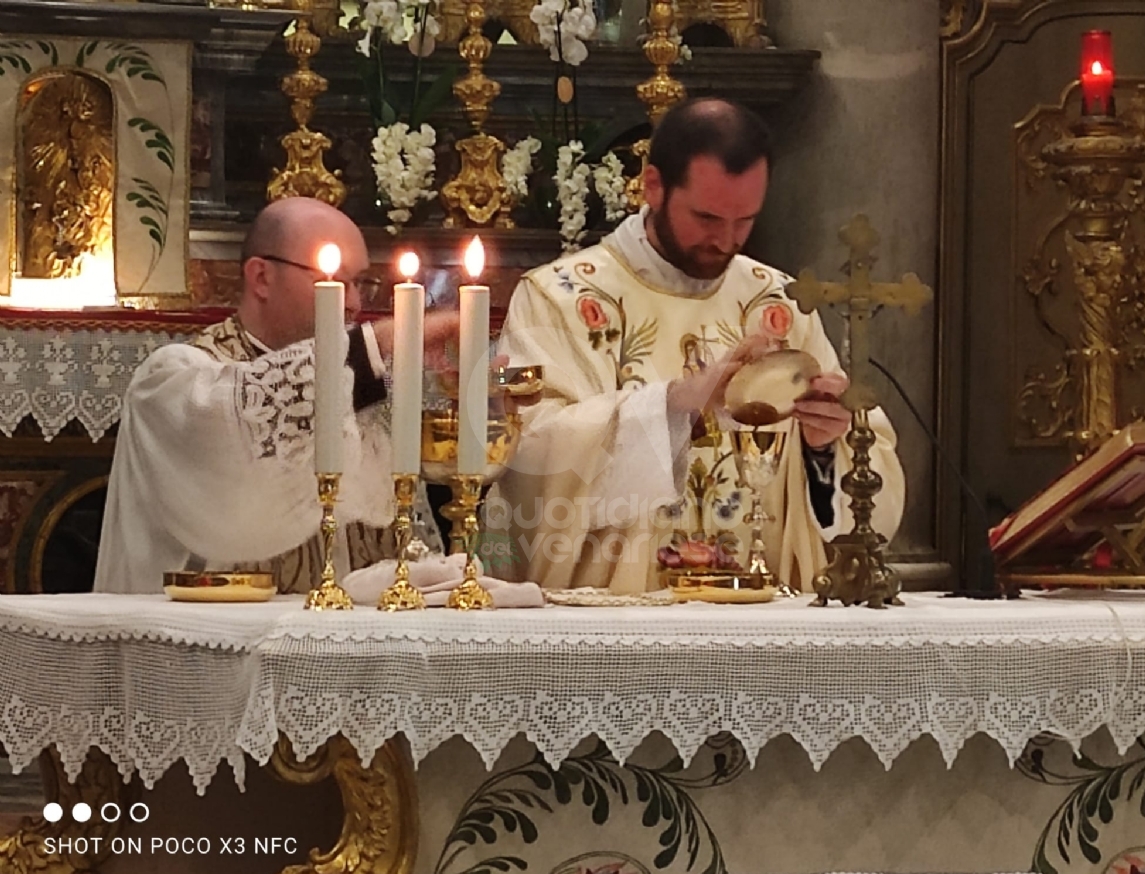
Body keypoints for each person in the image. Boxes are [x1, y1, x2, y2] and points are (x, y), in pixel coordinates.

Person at [492, 98, 905, 593]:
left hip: (763, 621)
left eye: (745, 220)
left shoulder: (782, 304)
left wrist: (822, 449)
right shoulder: (559, 299)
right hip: (620, 624)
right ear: (653, 186)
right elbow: (527, 455)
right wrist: (673, 405)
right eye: (708, 218)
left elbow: (867, 494)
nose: (727, 241)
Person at [95, 196, 453, 594]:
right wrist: (381, 341)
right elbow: (242, 446)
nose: (352, 303)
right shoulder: (170, 381)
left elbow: (406, 548)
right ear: (262, 277)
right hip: (208, 644)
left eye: (361, 283)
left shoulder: (365, 389)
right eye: (332, 279)